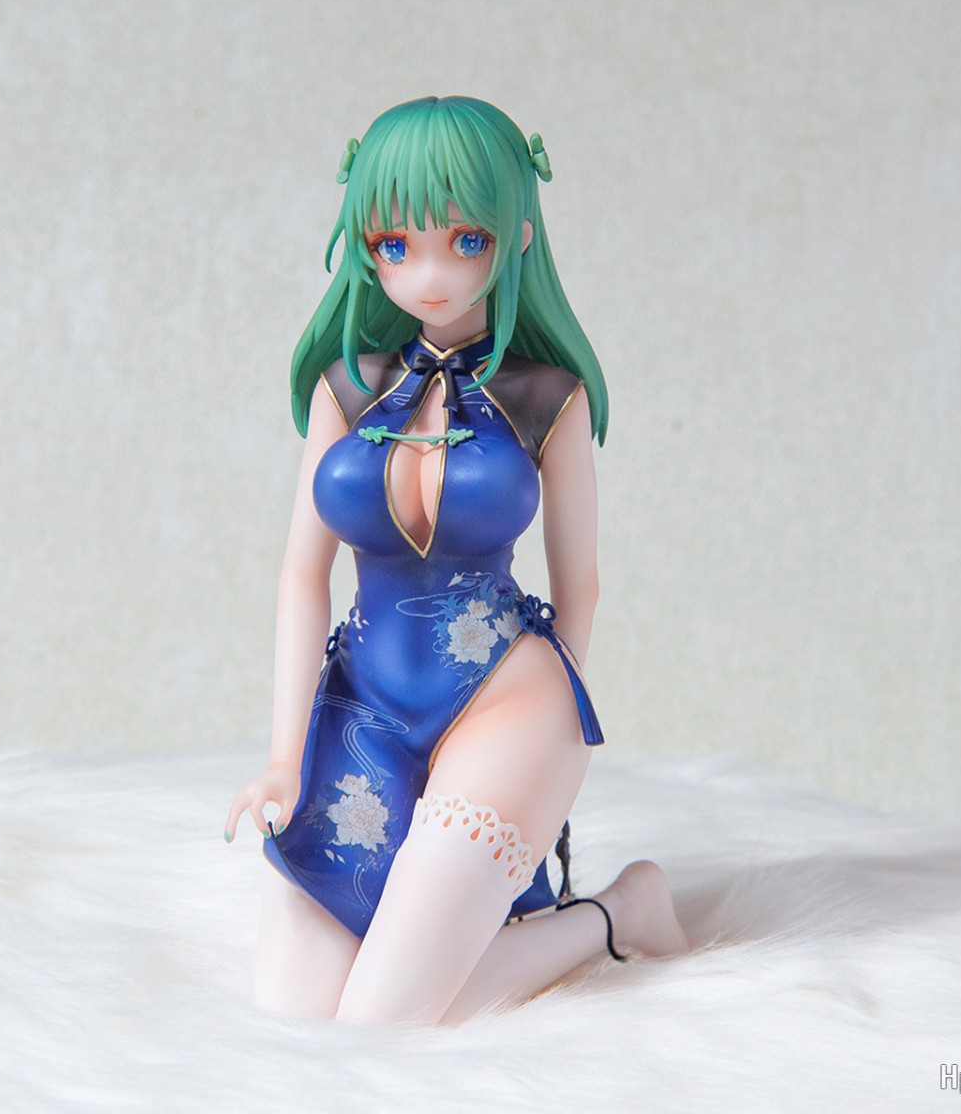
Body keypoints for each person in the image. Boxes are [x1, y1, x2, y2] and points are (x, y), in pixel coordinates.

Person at [225, 96, 688, 1024]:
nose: (430, 274)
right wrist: (282, 758)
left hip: (508, 702)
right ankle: (551, 912)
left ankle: (613, 915)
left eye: (466, 240)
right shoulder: (347, 386)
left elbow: (581, 584)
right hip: (362, 706)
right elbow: (301, 578)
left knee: (384, 1020)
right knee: (294, 1017)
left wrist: (549, 755)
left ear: (517, 236)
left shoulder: (546, 396)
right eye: (395, 245)